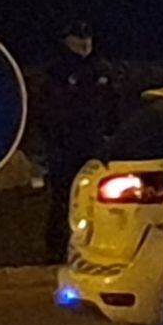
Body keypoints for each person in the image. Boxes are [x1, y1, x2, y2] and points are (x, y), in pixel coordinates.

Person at [43, 21, 118, 261]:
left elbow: (113, 107)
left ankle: (96, 250)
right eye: (78, 36)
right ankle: (58, 251)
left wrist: (110, 137)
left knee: (98, 201)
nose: (84, 42)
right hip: (65, 149)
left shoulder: (101, 69)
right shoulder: (57, 71)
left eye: (87, 36)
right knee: (64, 199)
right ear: (66, 39)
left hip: (95, 147)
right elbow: (50, 112)